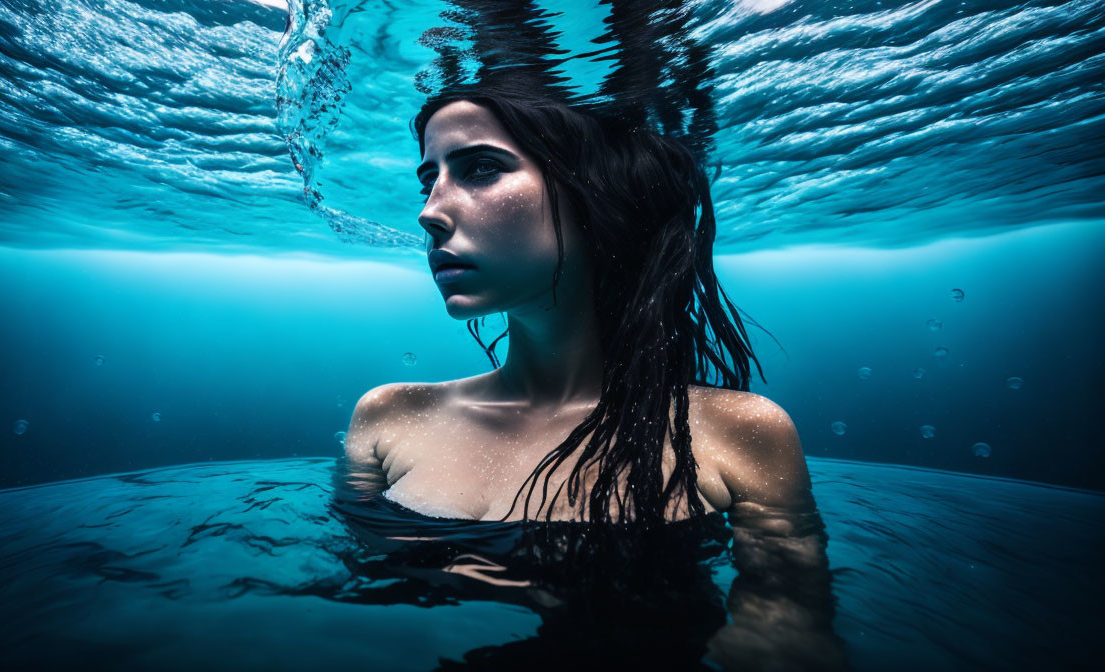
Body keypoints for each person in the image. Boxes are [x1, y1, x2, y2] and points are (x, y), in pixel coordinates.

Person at [342, 84, 846, 669]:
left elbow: (786, 639)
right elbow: (356, 586)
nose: (429, 211)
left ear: (594, 192)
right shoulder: (386, 417)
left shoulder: (740, 431)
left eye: (480, 169)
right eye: (429, 179)